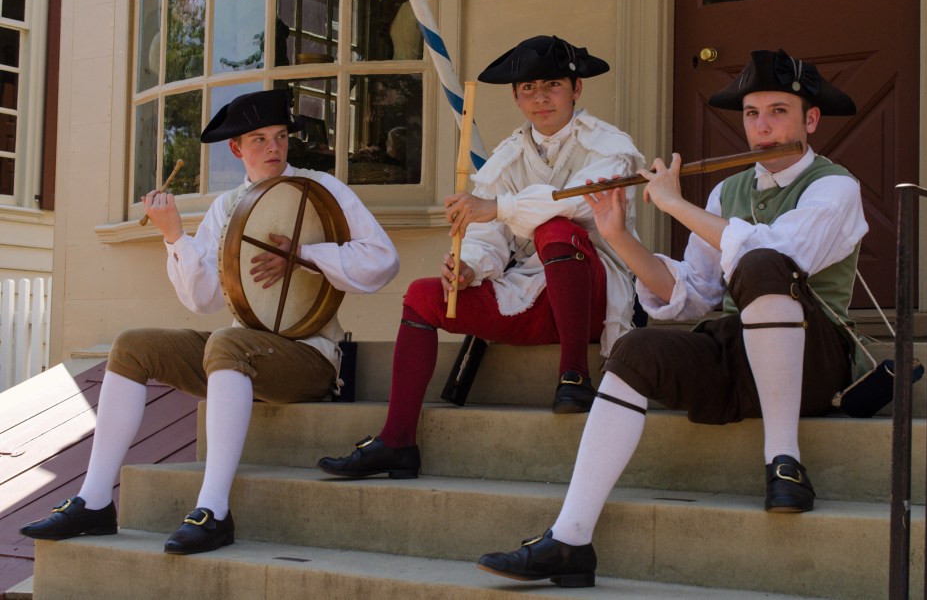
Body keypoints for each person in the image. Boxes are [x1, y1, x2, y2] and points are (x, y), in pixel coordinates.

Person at [477, 49, 868, 588]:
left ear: (811, 120)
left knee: (761, 263)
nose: (762, 127)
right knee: (635, 349)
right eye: (752, 114)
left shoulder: (836, 186)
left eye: (778, 112)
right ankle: (570, 539)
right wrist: (619, 236)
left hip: (815, 363)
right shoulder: (728, 191)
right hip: (741, 358)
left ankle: (785, 462)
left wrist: (676, 206)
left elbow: (780, 255)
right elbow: (694, 294)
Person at [19, 89, 399, 555]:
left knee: (226, 342)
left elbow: (383, 261)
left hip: (312, 357)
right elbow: (204, 299)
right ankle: (94, 501)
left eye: (280, 136)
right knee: (133, 344)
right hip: (240, 356)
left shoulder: (320, 190)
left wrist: (303, 254)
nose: (274, 148)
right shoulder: (227, 206)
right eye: (259, 139)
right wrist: (173, 235)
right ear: (236, 149)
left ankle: (213, 511)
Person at [317, 35, 645, 480]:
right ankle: (397, 441)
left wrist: (500, 207)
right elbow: (488, 235)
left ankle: (574, 377)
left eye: (552, 85)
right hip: (530, 295)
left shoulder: (611, 144)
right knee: (422, 296)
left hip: (593, 298)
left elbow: (580, 201)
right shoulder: (507, 157)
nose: (540, 98)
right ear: (515, 97)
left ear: (576, 89)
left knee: (556, 230)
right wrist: (469, 266)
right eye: (528, 88)